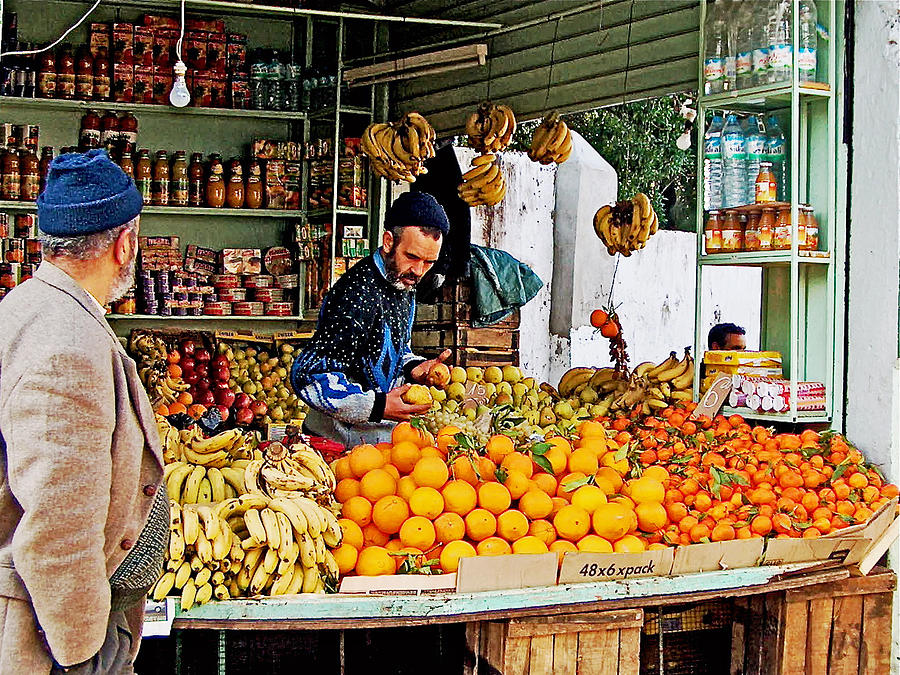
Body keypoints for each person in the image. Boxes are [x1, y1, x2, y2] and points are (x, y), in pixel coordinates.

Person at [0, 149, 167, 673]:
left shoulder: (29, 305)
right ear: (125, 244)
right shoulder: (66, 344)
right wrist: (83, 651)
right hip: (56, 639)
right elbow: (59, 521)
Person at [291, 192, 452, 447]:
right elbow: (310, 375)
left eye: (428, 262)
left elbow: (391, 348)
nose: (419, 271)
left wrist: (414, 368)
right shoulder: (355, 294)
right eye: (412, 257)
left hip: (377, 446)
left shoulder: (401, 281)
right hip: (334, 446)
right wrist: (378, 406)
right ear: (389, 242)